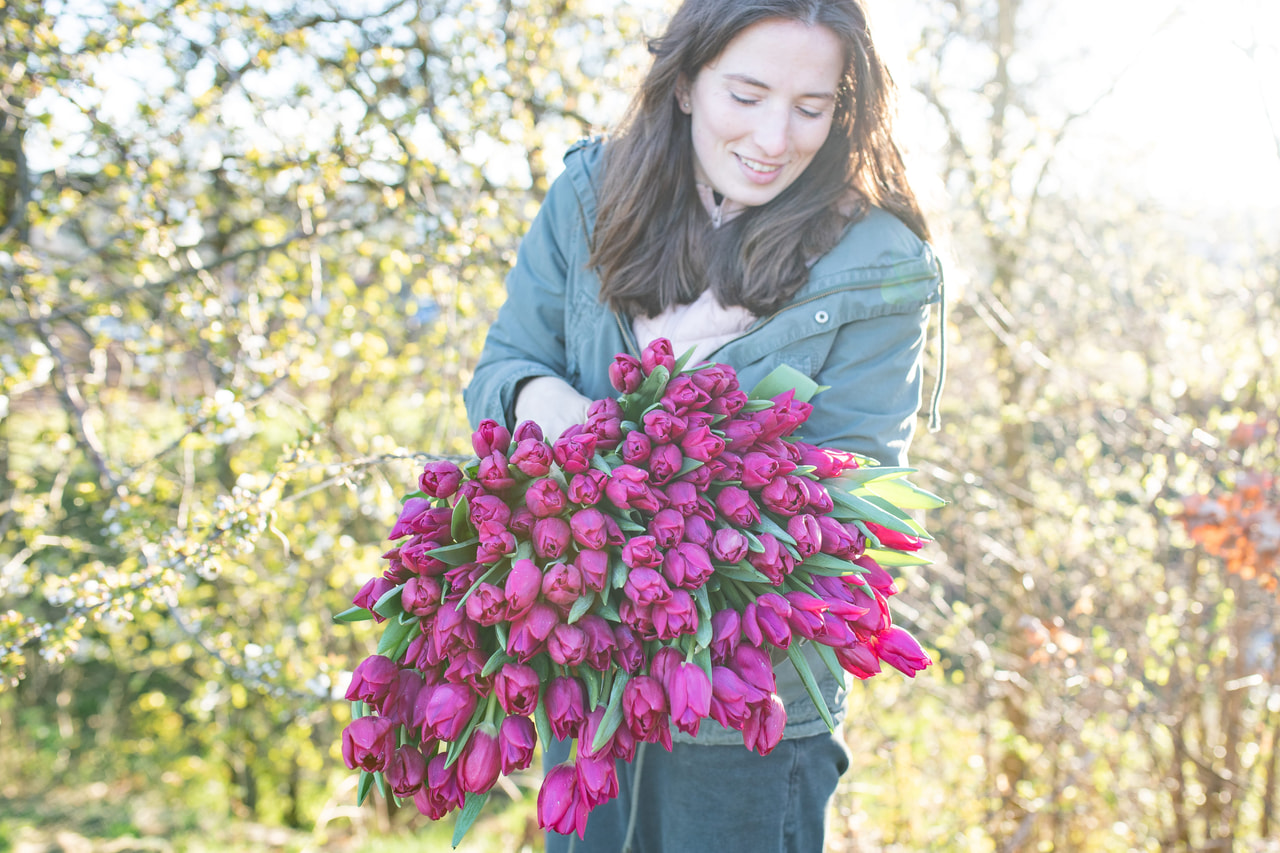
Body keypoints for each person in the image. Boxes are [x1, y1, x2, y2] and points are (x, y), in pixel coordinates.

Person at [464, 0, 943, 849]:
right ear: (686, 83)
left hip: (748, 702)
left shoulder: (877, 266)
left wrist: (678, 416)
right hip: (593, 671)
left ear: (846, 109)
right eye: (747, 95)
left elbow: (858, 486)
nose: (773, 139)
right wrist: (544, 403)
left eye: (811, 107)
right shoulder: (588, 196)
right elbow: (503, 366)